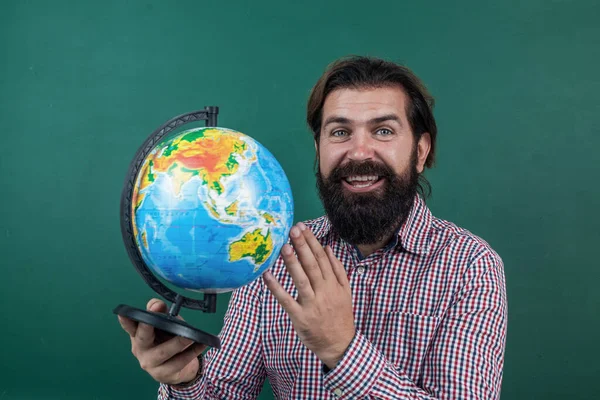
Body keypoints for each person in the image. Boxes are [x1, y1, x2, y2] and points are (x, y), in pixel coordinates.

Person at [118, 55, 507, 399]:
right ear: (319, 148)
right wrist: (186, 381)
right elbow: (224, 391)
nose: (358, 152)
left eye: (383, 131)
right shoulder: (270, 249)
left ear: (420, 151)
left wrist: (341, 348)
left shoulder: (470, 266)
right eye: (339, 132)